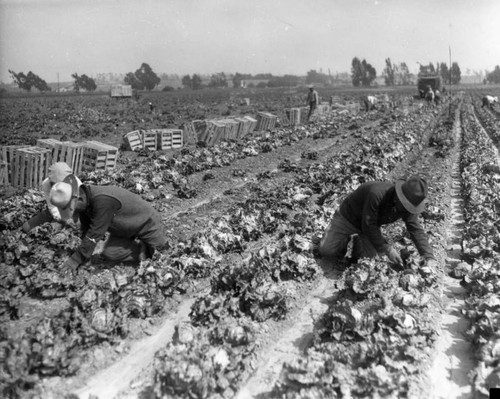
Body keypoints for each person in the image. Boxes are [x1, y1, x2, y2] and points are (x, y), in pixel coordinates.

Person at [49, 174, 169, 276]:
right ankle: (142, 249)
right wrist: (82, 255)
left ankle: (151, 246)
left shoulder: (102, 201)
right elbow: (87, 231)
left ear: (79, 198)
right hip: (124, 230)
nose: (73, 213)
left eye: (72, 209)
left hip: (146, 223)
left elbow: (95, 234)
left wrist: (74, 260)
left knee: (163, 258)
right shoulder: (86, 203)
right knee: (110, 253)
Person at [317, 175, 438, 270]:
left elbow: (415, 228)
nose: (408, 209)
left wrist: (428, 255)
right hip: (348, 218)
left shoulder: (409, 204)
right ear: (399, 196)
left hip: (369, 226)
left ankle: (358, 242)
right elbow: (368, 224)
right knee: (326, 251)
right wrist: (387, 249)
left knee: (367, 261)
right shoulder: (376, 193)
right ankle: (343, 240)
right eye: (405, 205)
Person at [22, 162, 81, 233]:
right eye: (54, 184)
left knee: (74, 228)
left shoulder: (77, 183)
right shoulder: (46, 184)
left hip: (74, 210)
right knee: (26, 227)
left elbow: (80, 204)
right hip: (57, 210)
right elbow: (52, 207)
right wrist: (62, 219)